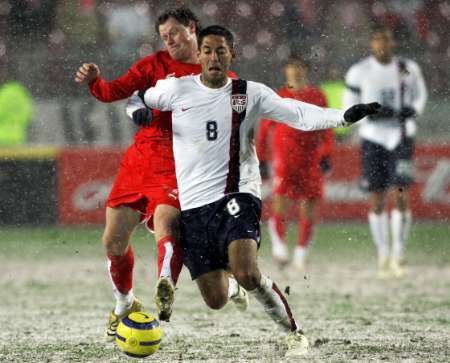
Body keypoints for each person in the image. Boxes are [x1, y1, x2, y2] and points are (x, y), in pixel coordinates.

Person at [127, 25, 380, 357]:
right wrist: (138, 112)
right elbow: (136, 95)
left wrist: (343, 117)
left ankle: (294, 333)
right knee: (215, 299)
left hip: (238, 195)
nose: (214, 57)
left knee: (247, 270)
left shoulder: (250, 93)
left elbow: (299, 114)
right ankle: (230, 285)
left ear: (232, 54)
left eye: (221, 51)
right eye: (208, 50)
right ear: (199, 55)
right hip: (195, 206)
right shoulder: (177, 89)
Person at [74, 7, 244, 340]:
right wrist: (95, 82)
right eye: (164, 37)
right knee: (113, 240)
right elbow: (116, 92)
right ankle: (124, 303)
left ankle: (166, 283)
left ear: (193, 29)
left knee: (167, 223)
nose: (169, 42)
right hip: (140, 160)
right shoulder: (153, 65)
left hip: (181, 162)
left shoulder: (218, 73)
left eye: (175, 34)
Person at [343, 26, 427, 278]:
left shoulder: (407, 68)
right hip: (373, 139)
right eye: (378, 39)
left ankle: (399, 253)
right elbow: (349, 107)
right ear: (371, 43)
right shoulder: (359, 72)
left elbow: (419, 96)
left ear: (393, 42)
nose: (382, 44)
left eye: (387, 40)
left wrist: (411, 111)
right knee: (377, 197)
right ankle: (383, 252)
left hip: (401, 137)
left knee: (400, 193)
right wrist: (371, 114)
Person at [256, 56, 334, 270]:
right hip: (284, 159)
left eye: (300, 67)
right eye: (292, 67)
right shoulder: (278, 97)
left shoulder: (317, 96)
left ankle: (301, 252)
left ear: (306, 70)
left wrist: (327, 153)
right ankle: (280, 246)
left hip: (310, 160)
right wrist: (261, 158)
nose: (296, 72)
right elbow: (264, 130)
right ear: (286, 71)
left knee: (308, 207)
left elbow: (327, 127)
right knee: (280, 203)